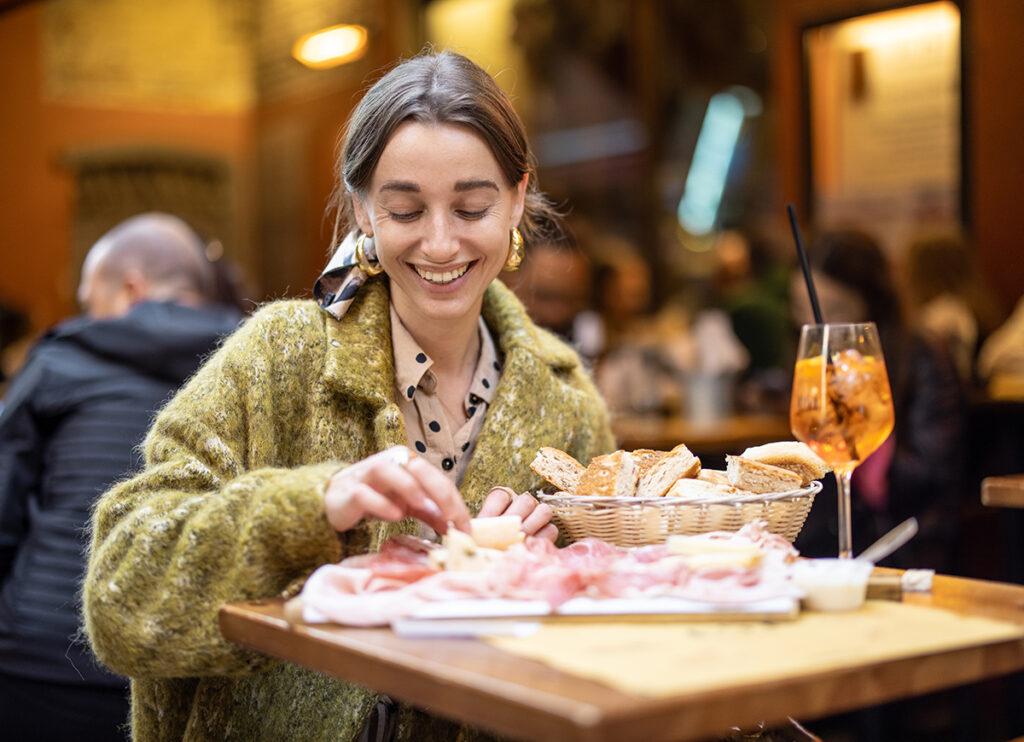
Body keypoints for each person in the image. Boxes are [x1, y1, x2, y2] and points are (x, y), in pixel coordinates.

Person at [83, 51, 614, 742]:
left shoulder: (565, 397)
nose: (441, 241)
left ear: (517, 197)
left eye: (472, 206)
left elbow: (607, 643)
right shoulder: (278, 359)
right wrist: (310, 509)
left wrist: (561, 560)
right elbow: (120, 603)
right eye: (404, 208)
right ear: (364, 208)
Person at [0, 213, 242, 741]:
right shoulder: (248, 364)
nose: (88, 316)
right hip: (182, 671)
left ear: (131, 289)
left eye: (91, 302)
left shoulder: (60, 358)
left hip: (38, 663)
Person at [791, 229, 964, 571]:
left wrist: (870, 453)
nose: (814, 325)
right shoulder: (810, 363)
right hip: (827, 552)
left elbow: (935, 475)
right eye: (801, 308)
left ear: (871, 302)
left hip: (909, 547)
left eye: (836, 310)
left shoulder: (921, 356)